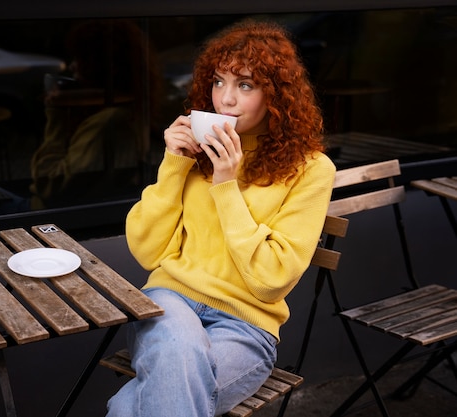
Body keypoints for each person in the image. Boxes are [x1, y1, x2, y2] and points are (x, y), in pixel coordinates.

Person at [106, 20, 336, 417]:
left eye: (245, 85)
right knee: (177, 346)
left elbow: (271, 281)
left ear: (275, 95)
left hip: (245, 327)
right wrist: (174, 164)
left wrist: (227, 184)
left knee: (129, 407)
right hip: (170, 301)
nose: (224, 99)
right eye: (218, 82)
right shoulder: (194, 151)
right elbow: (147, 251)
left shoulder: (311, 170)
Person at [30, 20, 162, 209]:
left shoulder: (108, 122)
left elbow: (49, 184)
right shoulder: (127, 112)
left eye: (80, 59)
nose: (72, 67)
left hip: (46, 214)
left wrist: (56, 115)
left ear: (100, 66)